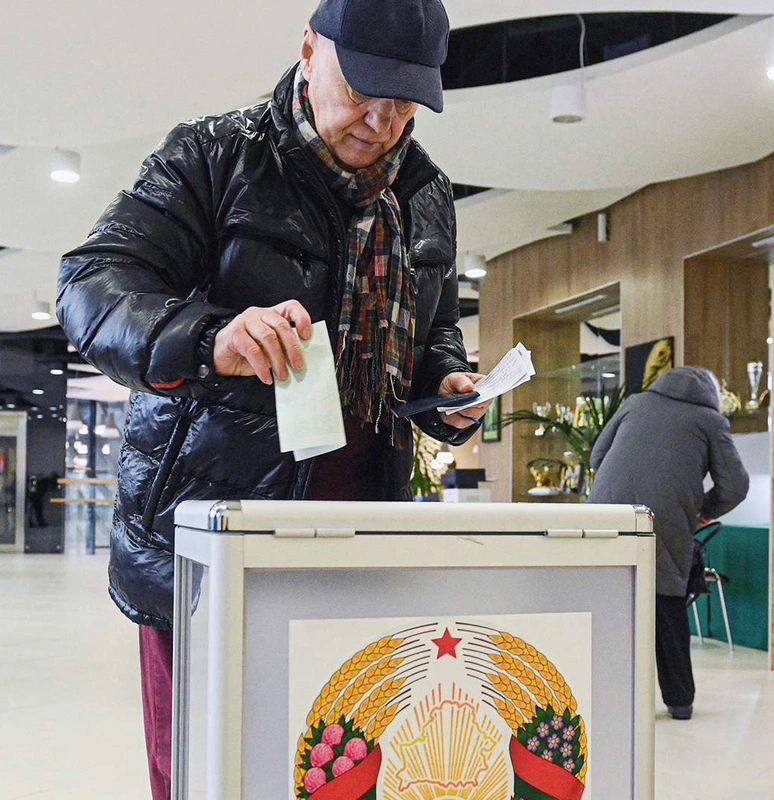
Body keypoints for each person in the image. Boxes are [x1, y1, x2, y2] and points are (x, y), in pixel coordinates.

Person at [56, 1, 488, 796]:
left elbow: (433, 339)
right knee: (205, 762)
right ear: (309, 49)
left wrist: (449, 387)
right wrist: (210, 337)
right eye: (365, 88)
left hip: (360, 530)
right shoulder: (213, 155)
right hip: (215, 530)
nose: (383, 119)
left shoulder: (425, 196)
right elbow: (90, 285)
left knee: (339, 758)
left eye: (406, 101)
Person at [588, 365, 749, 720]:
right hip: (662, 520)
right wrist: (703, 509)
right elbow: (735, 485)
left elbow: (597, 457)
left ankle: (602, 695)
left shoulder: (635, 402)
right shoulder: (710, 420)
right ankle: (679, 701)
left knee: (606, 600)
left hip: (605, 515)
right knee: (665, 606)